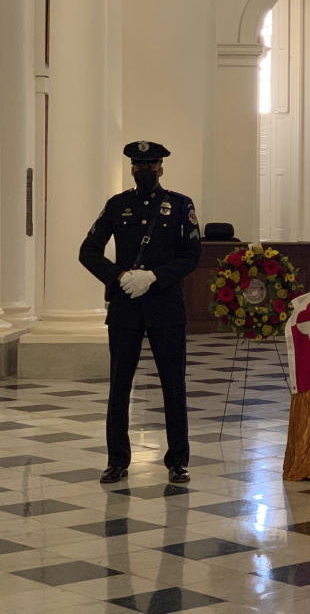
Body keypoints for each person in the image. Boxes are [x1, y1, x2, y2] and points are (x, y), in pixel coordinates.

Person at [80, 141, 201, 484]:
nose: (145, 171)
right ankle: (117, 460)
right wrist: (118, 276)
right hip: (126, 306)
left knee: (173, 384)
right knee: (120, 385)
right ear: (131, 169)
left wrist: (155, 277)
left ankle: (177, 460)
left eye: (151, 166)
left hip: (165, 305)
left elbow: (192, 254)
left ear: (161, 168)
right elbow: (88, 251)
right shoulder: (117, 206)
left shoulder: (179, 205)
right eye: (139, 166)